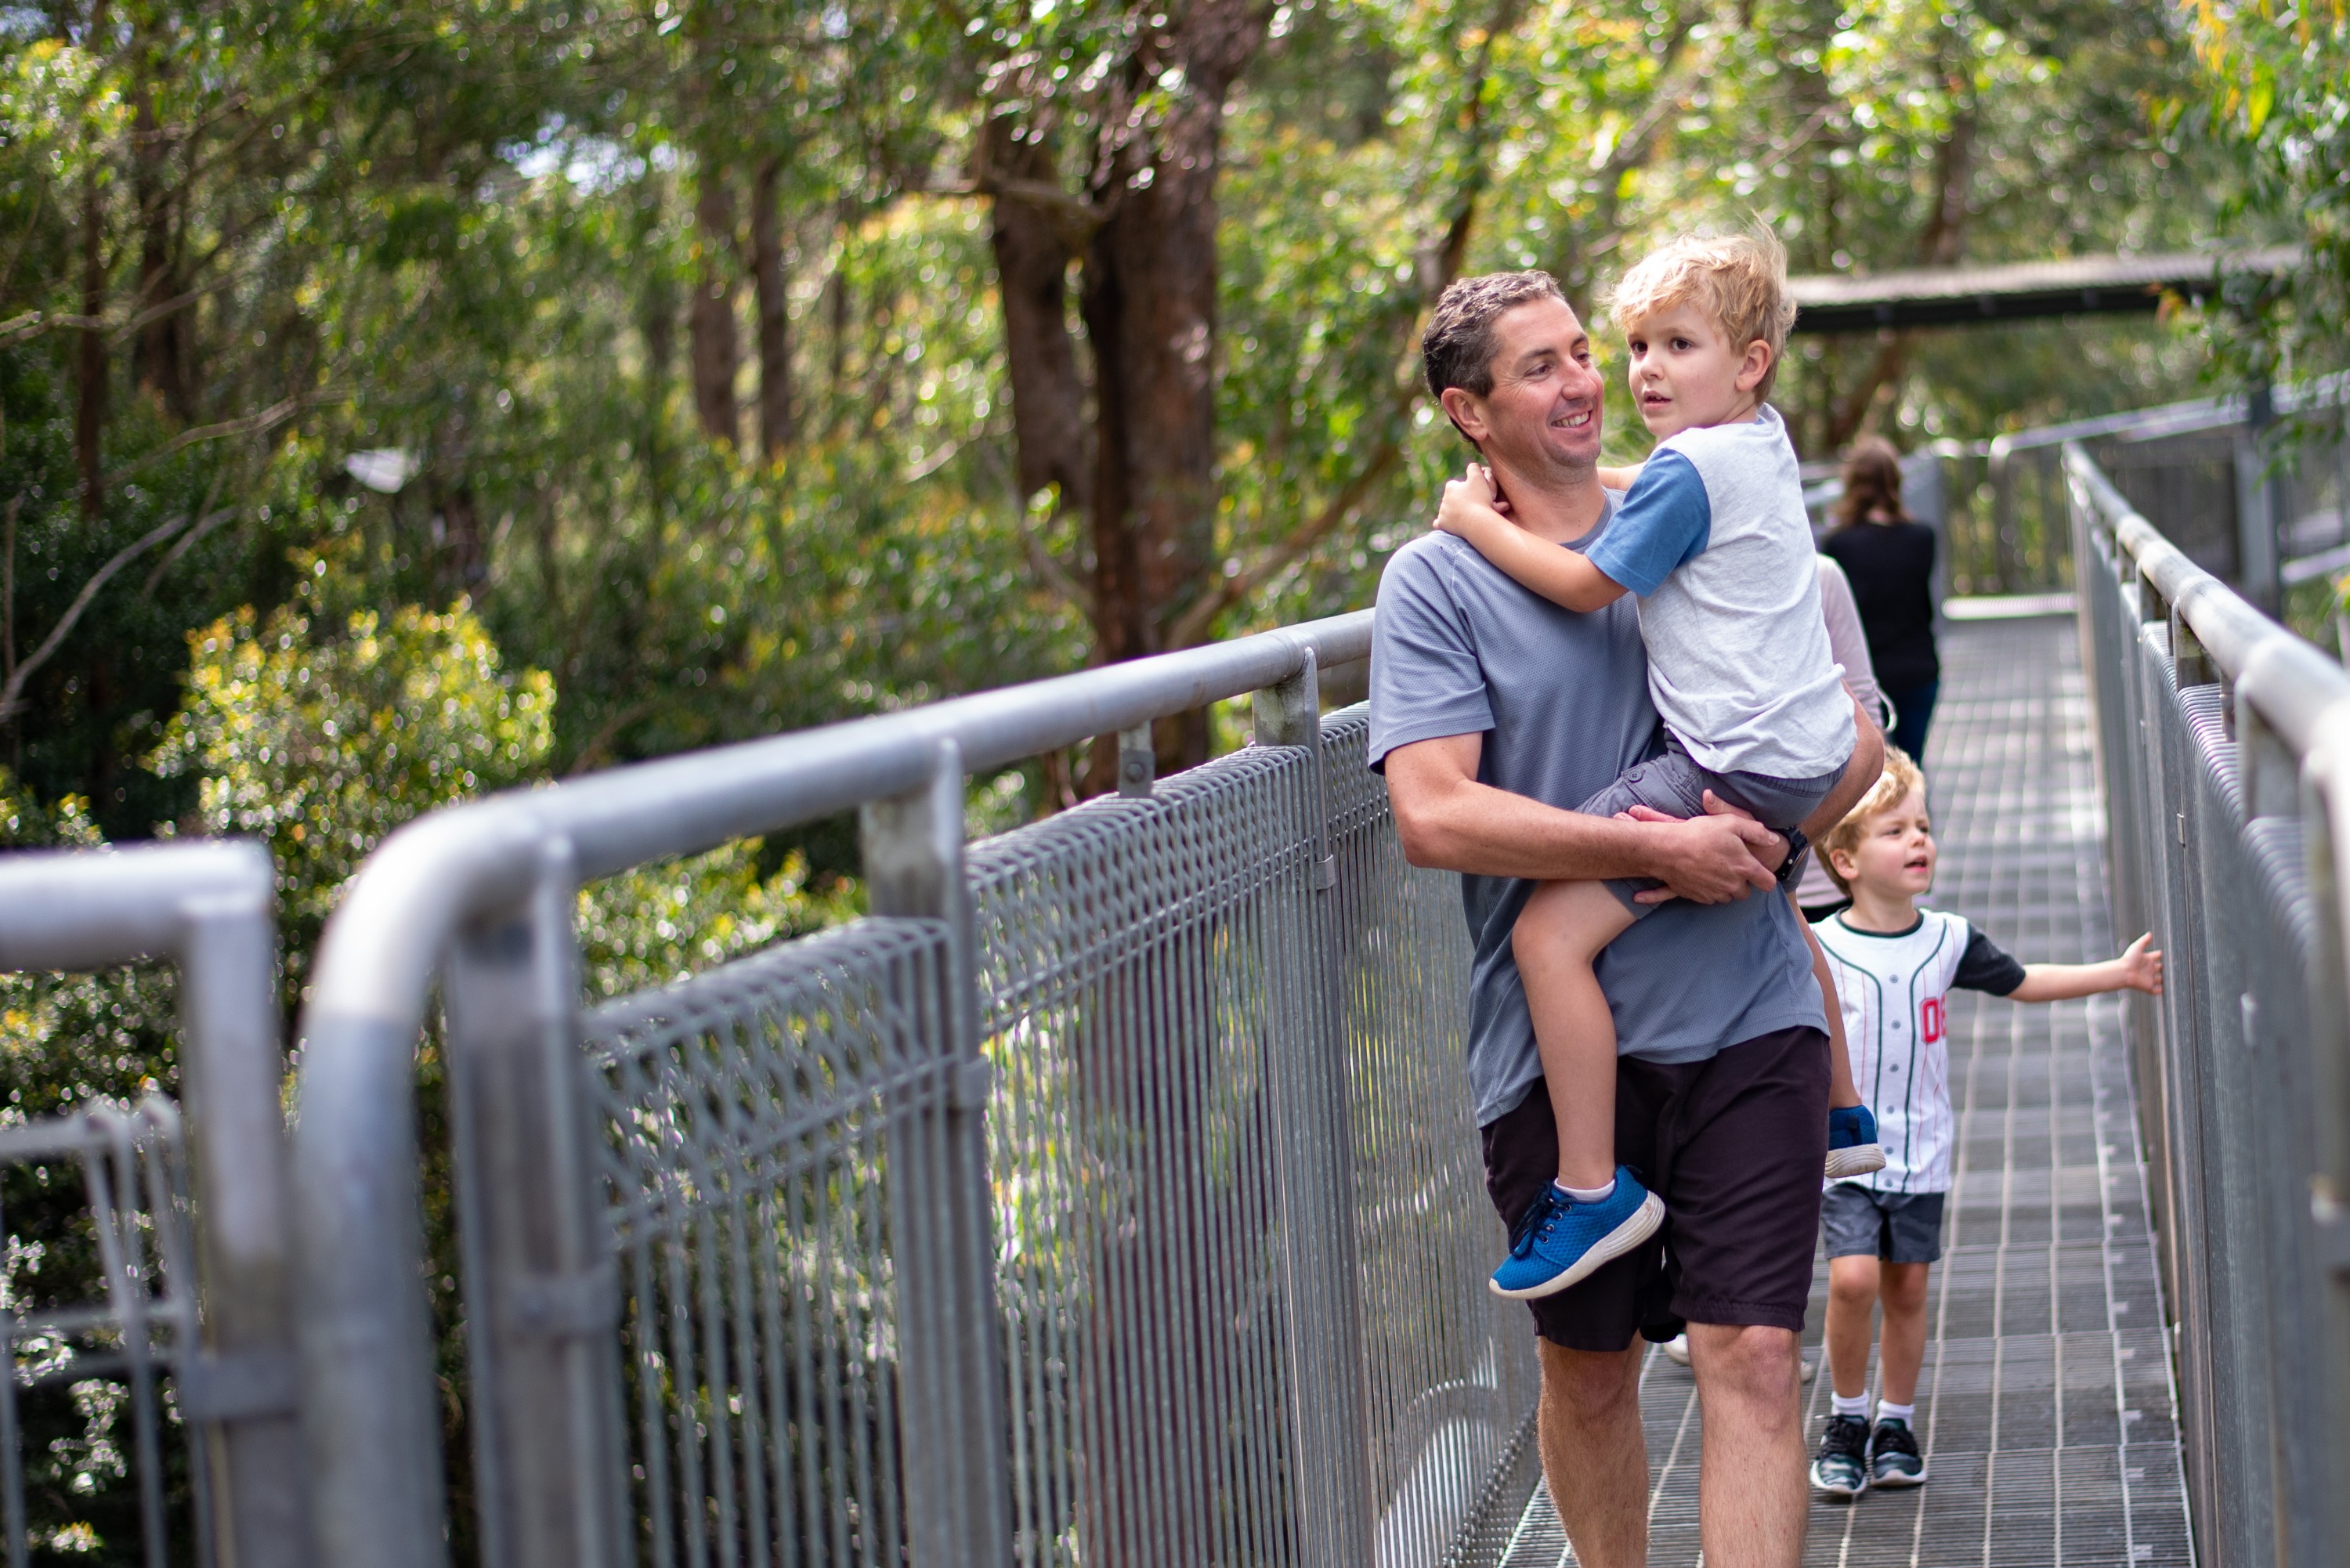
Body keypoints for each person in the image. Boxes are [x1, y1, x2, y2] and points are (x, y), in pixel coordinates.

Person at [1372, 267, 1883, 1568]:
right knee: (1590, 1379)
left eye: (1584, 352)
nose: (1589, 381)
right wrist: (1662, 845)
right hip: (1553, 1055)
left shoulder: (1712, 509)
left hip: (1750, 1016)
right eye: (1539, 367)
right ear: (1467, 413)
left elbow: (1861, 738)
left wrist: (1778, 830)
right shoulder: (1435, 588)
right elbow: (1433, 816)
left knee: (1759, 1358)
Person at [1428, 229, 1880, 1300]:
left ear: (1751, 361)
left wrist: (1469, 522)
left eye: (1674, 346)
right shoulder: (1757, 444)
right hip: (1804, 751)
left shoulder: (1686, 471)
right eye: (1635, 346)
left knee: (1545, 933)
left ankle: (1592, 1188)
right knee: (1773, 895)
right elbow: (1665, 482)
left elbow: (1586, 586)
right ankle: (1844, 1110)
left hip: (1729, 762)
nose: (1641, 372)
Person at [1805, 747, 2164, 1498]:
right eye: (1895, 831)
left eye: (1924, 827)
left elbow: (2023, 982)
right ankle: (1846, 1417)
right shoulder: (1822, 949)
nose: (1918, 843)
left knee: (1907, 1288)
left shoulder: (1948, 939)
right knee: (1853, 1279)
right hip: (1846, 1150)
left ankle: (1895, 1423)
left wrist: (2118, 974)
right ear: (1843, 861)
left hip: (1925, 1150)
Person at [1820, 437, 1939, 761]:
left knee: (1876, 781)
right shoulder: (1922, 538)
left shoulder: (1839, 546)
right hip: (1918, 670)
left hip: (1866, 680)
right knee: (1912, 770)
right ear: (1896, 481)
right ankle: (1916, 813)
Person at [1796, 555, 1885, 919]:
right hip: (1714, 879)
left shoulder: (1818, 575)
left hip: (1827, 872)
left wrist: (1791, 844)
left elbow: (1867, 718)